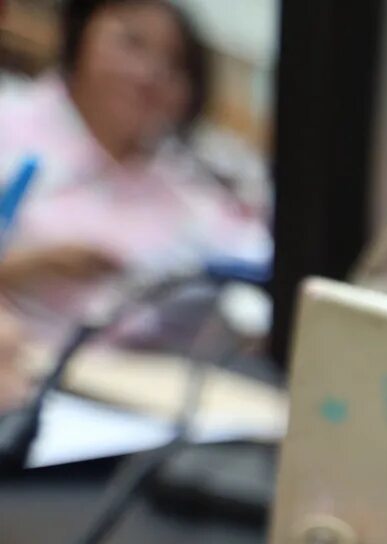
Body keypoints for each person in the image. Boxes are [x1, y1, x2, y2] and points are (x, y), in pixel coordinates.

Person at [0, 0, 268, 340]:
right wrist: (24, 268)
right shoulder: (10, 126)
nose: (150, 74)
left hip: (125, 378)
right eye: (132, 43)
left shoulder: (184, 189)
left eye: (174, 64)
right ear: (81, 33)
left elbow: (255, 265)